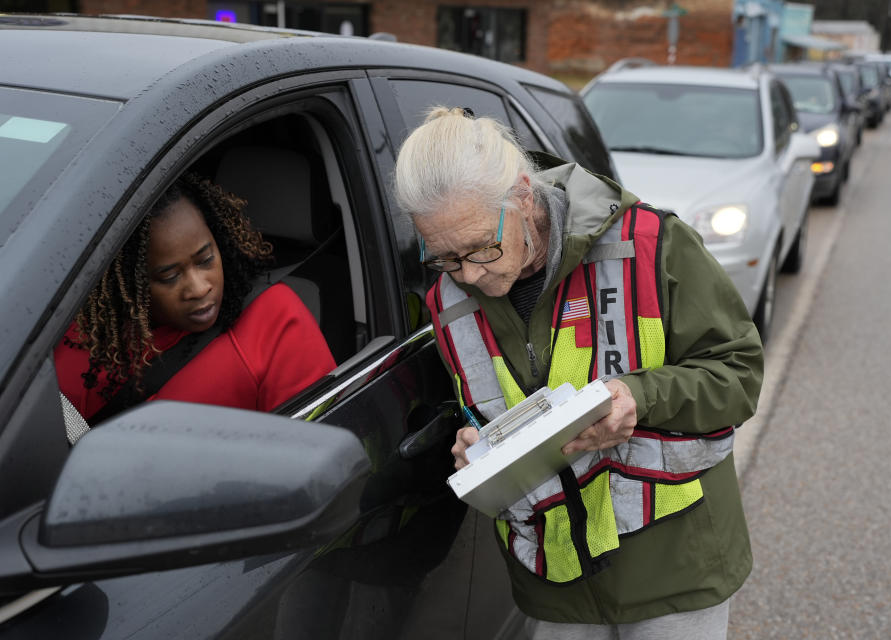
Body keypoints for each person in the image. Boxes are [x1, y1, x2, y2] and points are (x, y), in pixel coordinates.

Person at [394, 107, 763, 639]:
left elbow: (739, 374)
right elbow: (485, 403)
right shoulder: (448, 300)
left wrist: (640, 398)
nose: (469, 273)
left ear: (524, 195)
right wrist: (478, 445)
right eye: (445, 257)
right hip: (555, 583)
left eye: (481, 247)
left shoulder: (652, 243)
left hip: (676, 570)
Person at [55, 173, 336, 423]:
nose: (199, 288)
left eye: (205, 260)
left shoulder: (275, 320)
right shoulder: (79, 329)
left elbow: (316, 447)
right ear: (130, 284)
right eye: (169, 277)